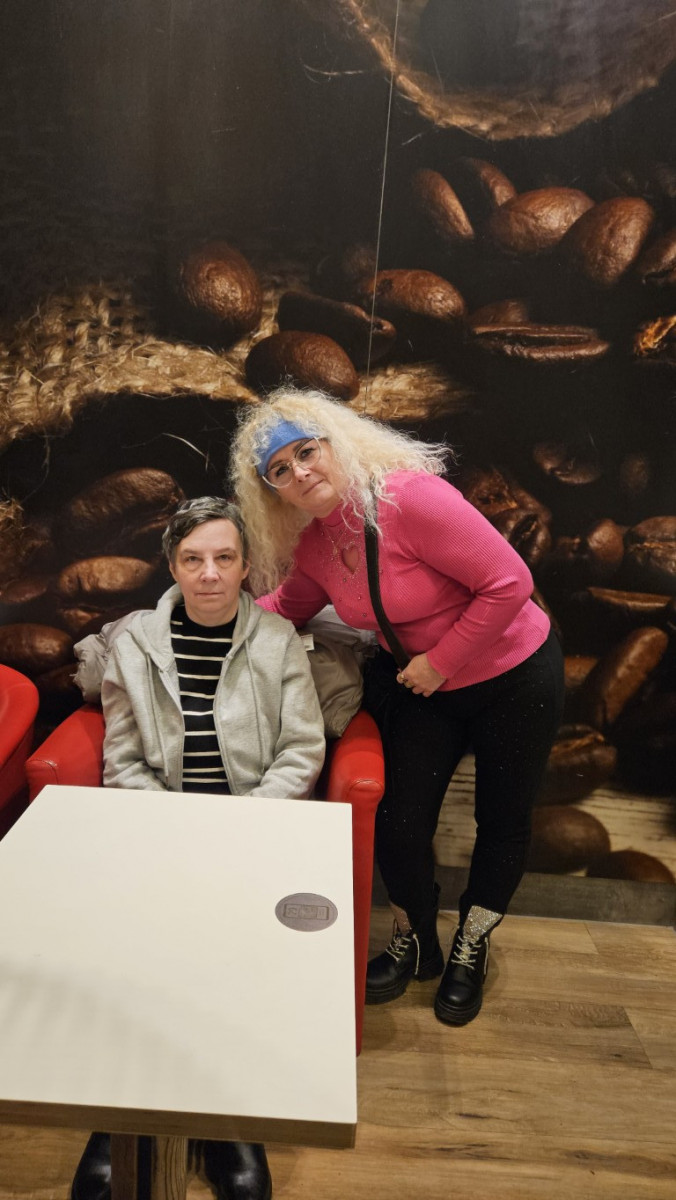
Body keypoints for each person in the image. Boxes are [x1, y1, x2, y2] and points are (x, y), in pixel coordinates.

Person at [230, 388, 564, 1029]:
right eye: (280, 469)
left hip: (515, 675)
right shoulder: (315, 545)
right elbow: (285, 609)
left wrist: (441, 661)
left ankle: (470, 946)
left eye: (307, 452)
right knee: (400, 824)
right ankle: (416, 939)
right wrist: (207, 614)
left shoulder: (410, 499)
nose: (300, 472)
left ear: (336, 444)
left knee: (502, 820)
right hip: (425, 689)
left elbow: (510, 583)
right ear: (272, 491)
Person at [71, 496, 325, 1200]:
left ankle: (227, 1113)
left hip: (255, 829)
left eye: (223, 558)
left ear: (245, 566)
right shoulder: (135, 642)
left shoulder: (278, 639)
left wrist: (242, 827)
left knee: (236, 952)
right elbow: (123, 758)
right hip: (161, 829)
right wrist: (176, 833)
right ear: (173, 565)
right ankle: (122, 1112)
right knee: (135, 944)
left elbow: (301, 749)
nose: (208, 573)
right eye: (193, 559)